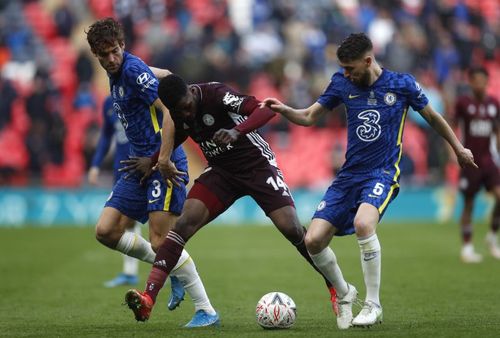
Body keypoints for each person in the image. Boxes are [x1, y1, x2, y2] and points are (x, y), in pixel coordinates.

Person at [261, 33, 477, 327]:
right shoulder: (341, 83)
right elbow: (311, 116)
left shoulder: (402, 84)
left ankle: (373, 304)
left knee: (364, 223)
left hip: (382, 172)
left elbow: (433, 116)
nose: (346, 73)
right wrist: (285, 110)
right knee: (312, 240)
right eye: (343, 68)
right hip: (349, 175)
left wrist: (458, 147)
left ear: (368, 60)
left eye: (350, 68)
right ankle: (345, 292)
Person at [121, 74, 349, 328]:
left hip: (257, 167)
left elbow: (265, 110)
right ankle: (148, 298)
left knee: (292, 229)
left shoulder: (216, 95)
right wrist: (152, 161)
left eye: (187, 106)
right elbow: (179, 136)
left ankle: (335, 286)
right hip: (222, 172)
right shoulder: (179, 112)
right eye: (179, 111)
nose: (186, 114)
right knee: (183, 225)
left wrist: (235, 131)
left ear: (191, 93)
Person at [85, 18, 219, 327]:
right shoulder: (123, 71)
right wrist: (161, 73)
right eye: (104, 55)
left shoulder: (130, 71)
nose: (111, 59)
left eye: (116, 51)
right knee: (106, 231)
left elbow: (171, 109)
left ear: (123, 46)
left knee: (162, 242)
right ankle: (169, 267)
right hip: (137, 164)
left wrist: (160, 159)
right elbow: (164, 76)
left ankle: (206, 310)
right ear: (96, 55)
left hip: (163, 164)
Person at [88, 95, 140, 287]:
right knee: (124, 222)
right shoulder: (109, 103)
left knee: (159, 221)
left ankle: (172, 266)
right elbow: (106, 136)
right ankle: (130, 272)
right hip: (122, 169)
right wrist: (95, 165)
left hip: (146, 165)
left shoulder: (142, 95)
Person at [454, 66, 500, 263]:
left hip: (489, 160)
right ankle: (467, 247)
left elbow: (497, 130)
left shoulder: (494, 104)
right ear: (471, 82)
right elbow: (453, 126)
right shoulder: (463, 103)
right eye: (476, 80)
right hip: (469, 162)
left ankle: (491, 237)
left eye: (483, 80)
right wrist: (454, 152)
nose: (480, 84)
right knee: (469, 204)